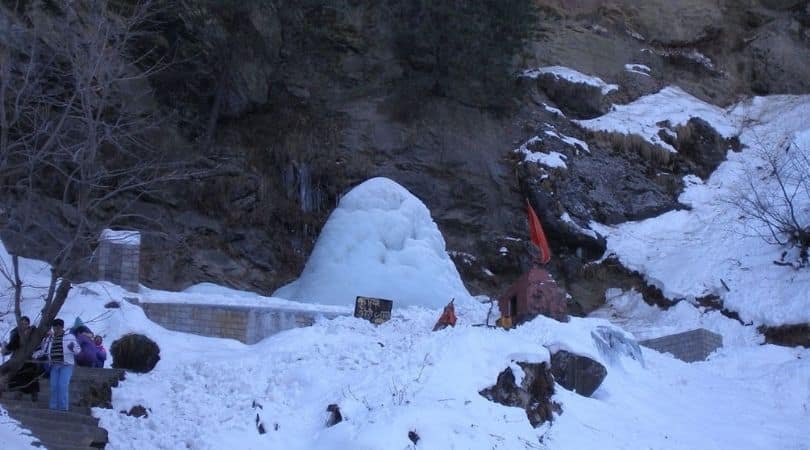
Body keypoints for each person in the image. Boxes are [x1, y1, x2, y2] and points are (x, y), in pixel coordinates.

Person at [41, 319, 80, 411]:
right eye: (54, 327)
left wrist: (72, 348)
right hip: (54, 365)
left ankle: (63, 408)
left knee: (62, 385)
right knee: (54, 386)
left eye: (57, 327)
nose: (55, 329)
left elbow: (78, 350)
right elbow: (44, 351)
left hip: (66, 365)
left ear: (61, 327)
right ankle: (53, 407)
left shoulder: (70, 336)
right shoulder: (50, 338)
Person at [1, 316, 43, 401]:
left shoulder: (32, 333)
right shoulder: (16, 332)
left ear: (28, 324)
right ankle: (18, 394)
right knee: (17, 377)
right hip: (17, 359)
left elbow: (37, 345)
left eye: (26, 324)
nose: (24, 325)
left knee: (32, 377)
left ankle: (34, 395)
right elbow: (13, 345)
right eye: (22, 323)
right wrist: (6, 348)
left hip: (29, 359)